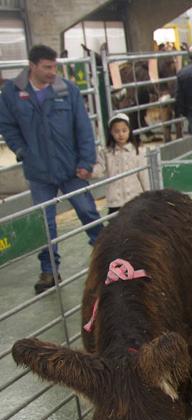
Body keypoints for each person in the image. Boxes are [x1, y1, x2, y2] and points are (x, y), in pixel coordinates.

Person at [0, 44, 104, 294]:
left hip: (71, 168)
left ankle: (108, 259)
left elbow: (83, 128)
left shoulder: (67, 90)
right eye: (47, 67)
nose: (52, 72)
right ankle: (49, 271)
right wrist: (22, 151)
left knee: (88, 212)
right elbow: (7, 125)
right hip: (39, 171)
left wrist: (86, 162)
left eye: (54, 66)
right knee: (45, 224)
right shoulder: (12, 94)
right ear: (32, 65)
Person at [91, 114, 147, 215]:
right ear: (111, 133)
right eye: (116, 131)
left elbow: (143, 175)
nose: (121, 134)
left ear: (129, 131)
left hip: (134, 199)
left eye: (124, 130)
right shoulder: (106, 152)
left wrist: (148, 195)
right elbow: (99, 169)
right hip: (115, 202)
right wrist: (89, 171)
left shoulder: (138, 151)